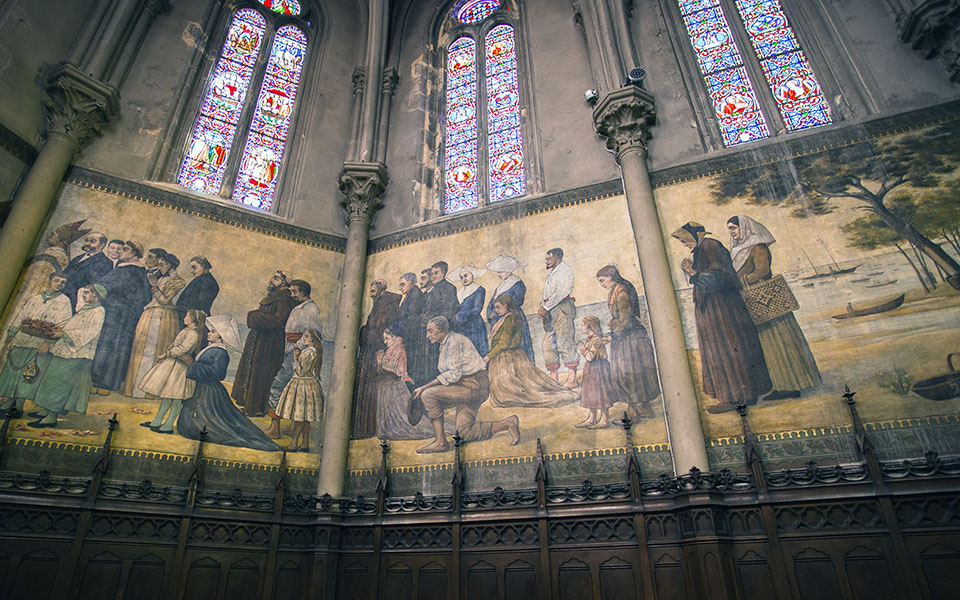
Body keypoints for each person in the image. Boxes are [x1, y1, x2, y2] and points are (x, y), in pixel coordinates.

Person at [672, 222, 771, 413]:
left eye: (686, 239)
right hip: (716, 306)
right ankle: (743, 395)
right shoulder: (703, 249)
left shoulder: (710, 246)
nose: (684, 243)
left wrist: (693, 274)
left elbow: (717, 278)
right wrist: (694, 274)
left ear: (697, 235)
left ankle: (735, 397)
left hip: (721, 307)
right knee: (728, 347)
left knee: (726, 347)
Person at [727, 216, 821, 400]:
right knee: (766, 347)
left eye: (734, 228)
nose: (731, 232)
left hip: (767, 300)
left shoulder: (757, 246)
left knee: (781, 343)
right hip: (754, 303)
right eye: (729, 229)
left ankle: (791, 386)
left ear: (744, 228)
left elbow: (762, 270)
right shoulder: (737, 250)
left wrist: (743, 281)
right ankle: (778, 386)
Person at [412, 316, 520, 454]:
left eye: (430, 331)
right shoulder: (446, 343)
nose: (428, 335)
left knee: (428, 394)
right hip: (466, 386)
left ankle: (440, 442)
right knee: (464, 433)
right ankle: (508, 423)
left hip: (474, 385)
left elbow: (454, 374)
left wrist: (424, 387)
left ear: (441, 330)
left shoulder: (454, 342)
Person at [177, 315, 280, 452]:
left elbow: (218, 374)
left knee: (211, 426)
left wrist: (192, 364)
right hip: (201, 390)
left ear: (221, 336)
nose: (209, 333)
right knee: (188, 425)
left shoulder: (220, 352)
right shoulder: (212, 348)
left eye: (213, 331)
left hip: (210, 392)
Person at [28, 285, 106, 428]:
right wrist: (60, 330)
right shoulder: (86, 309)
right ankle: (46, 410)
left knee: (60, 383)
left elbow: (88, 333)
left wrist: (63, 334)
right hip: (66, 350)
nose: (83, 295)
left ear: (96, 295)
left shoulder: (98, 311)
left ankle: (52, 416)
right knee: (50, 379)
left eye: (87, 293)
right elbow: (73, 326)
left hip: (77, 353)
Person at [484, 295, 579, 409]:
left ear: (506, 306)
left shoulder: (511, 318)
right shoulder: (506, 318)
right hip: (505, 356)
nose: (496, 310)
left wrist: (489, 356)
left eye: (499, 307)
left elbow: (504, 342)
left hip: (509, 357)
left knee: (512, 392)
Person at [0, 273, 72, 413]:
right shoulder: (36, 298)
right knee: (13, 370)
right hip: (23, 339)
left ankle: (18, 405)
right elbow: (21, 316)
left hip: (40, 343)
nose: (59, 284)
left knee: (29, 373)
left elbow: (62, 325)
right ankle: (9, 400)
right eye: (57, 281)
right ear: (50, 281)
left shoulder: (64, 301)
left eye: (63, 282)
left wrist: (48, 342)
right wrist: (12, 337)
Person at [595, 265, 660, 419]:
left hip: (631, 338)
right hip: (623, 337)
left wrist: (610, 337)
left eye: (602, 280)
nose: (601, 284)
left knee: (631, 373)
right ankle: (642, 408)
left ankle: (636, 410)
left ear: (610, 277)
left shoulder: (621, 292)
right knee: (627, 373)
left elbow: (625, 319)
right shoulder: (614, 291)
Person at [90, 241, 153, 394]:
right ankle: (106, 382)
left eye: (125, 249)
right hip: (126, 315)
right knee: (118, 346)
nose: (121, 252)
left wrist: (95, 289)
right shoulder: (139, 271)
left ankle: (104, 383)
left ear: (134, 254)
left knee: (111, 346)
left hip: (118, 314)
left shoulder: (128, 270)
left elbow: (104, 286)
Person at [232, 270, 297, 416]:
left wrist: (254, 316)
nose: (271, 280)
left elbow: (279, 321)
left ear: (284, 283)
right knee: (254, 370)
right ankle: (248, 403)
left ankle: (255, 409)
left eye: (276, 278)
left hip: (270, 343)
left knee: (261, 375)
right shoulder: (275, 296)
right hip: (261, 339)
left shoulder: (284, 300)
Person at [124, 250, 186, 398]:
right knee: (141, 347)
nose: (159, 267)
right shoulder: (157, 277)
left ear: (170, 265)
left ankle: (150, 393)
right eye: (158, 264)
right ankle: (134, 389)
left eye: (162, 265)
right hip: (149, 314)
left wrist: (154, 286)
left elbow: (165, 301)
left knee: (156, 350)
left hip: (164, 316)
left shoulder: (178, 281)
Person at [266, 279, 323, 438]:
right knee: (292, 388)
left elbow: (314, 333)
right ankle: (289, 427)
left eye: (294, 292)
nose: (292, 295)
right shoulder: (300, 308)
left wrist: (298, 347)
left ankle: (275, 428)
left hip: (297, 353)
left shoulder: (310, 309)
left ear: (303, 292)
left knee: (279, 385)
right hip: (290, 349)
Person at [374, 326, 452, 440]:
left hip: (393, 385)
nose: (385, 342)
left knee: (403, 420)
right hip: (386, 386)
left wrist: (380, 362)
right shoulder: (390, 349)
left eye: (387, 338)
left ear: (394, 337)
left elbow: (397, 371)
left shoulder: (399, 349)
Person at [138, 309, 206, 433]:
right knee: (167, 395)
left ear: (193, 319)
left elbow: (183, 349)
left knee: (176, 397)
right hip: (174, 365)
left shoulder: (193, 334)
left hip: (180, 368)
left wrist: (166, 354)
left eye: (186, 316)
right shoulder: (186, 331)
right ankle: (157, 421)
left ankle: (168, 425)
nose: (184, 318)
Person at [351, 279, 400, 439]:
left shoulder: (387, 304)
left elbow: (385, 330)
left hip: (376, 351)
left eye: (373, 291)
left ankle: (366, 429)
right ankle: (360, 429)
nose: (371, 295)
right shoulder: (379, 303)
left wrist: (364, 333)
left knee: (369, 390)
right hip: (369, 351)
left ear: (381, 290)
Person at [275, 329, 324, 451]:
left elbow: (301, 372)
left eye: (306, 336)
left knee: (300, 417)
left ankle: (294, 443)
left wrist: (295, 359)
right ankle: (305, 444)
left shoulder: (309, 353)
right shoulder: (310, 352)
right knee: (306, 419)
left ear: (312, 339)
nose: (304, 339)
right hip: (308, 384)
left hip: (303, 384)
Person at [538, 248, 579, 387]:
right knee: (548, 345)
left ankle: (572, 378)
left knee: (565, 342)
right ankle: (554, 377)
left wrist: (546, 307)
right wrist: (542, 306)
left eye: (549, 258)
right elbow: (547, 294)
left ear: (557, 257)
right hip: (551, 312)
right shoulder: (552, 273)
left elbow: (562, 292)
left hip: (562, 310)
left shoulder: (564, 270)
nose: (547, 261)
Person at [485, 255, 534, 361]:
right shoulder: (500, 287)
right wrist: (490, 313)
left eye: (501, 272)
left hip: (512, 319)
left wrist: (499, 311)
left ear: (509, 270)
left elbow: (516, 302)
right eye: (498, 272)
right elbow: (491, 303)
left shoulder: (517, 284)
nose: (498, 275)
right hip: (498, 320)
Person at [421, 261, 459, 383]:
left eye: (436, 273)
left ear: (443, 273)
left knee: (440, 359)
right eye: (432, 274)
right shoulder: (433, 290)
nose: (433, 276)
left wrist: (434, 321)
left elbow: (449, 311)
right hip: (431, 329)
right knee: (429, 359)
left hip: (441, 330)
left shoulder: (449, 288)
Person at [576, 316, 616, 429]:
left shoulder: (596, 340)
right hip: (592, 369)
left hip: (598, 369)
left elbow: (590, 357)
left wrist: (582, 349)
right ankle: (591, 418)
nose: (582, 327)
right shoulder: (591, 339)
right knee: (591, 393)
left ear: (589, 326)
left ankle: (604, 419)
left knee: (601, 394)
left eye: (583, 325)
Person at [61, 232, 112, 312]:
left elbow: (93, 284)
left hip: (77, 300)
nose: (87, 243)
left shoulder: (105, 262)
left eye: (92, 241)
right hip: (62, 296)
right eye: (86, 240)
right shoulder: (78, 258)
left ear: (102, 245)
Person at [397, 273, 428, 386]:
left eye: (402, 284)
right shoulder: (411, 294)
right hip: (409, 332)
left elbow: (411, 316)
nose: (400, 288)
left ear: (411, 281)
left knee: (410, 362)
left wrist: (398, 324)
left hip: (412, 334)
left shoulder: (415, 295)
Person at [450, 265, 488, 356]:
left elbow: (477, 309)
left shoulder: (479, 290)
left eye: (466, 275)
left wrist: (461, 315)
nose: (464, 279)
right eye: (461, 277)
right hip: (461, 326)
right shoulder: (459, 292)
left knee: (477, 350)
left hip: (474, 325)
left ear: (472, 274)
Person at [175, 256, 219, 321]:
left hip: (194, 321)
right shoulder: (199, 279)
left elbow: (201, 307)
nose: (191, 271)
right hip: (185, 318)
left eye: (194, 268)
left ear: (204, 267)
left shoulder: (208, 282)